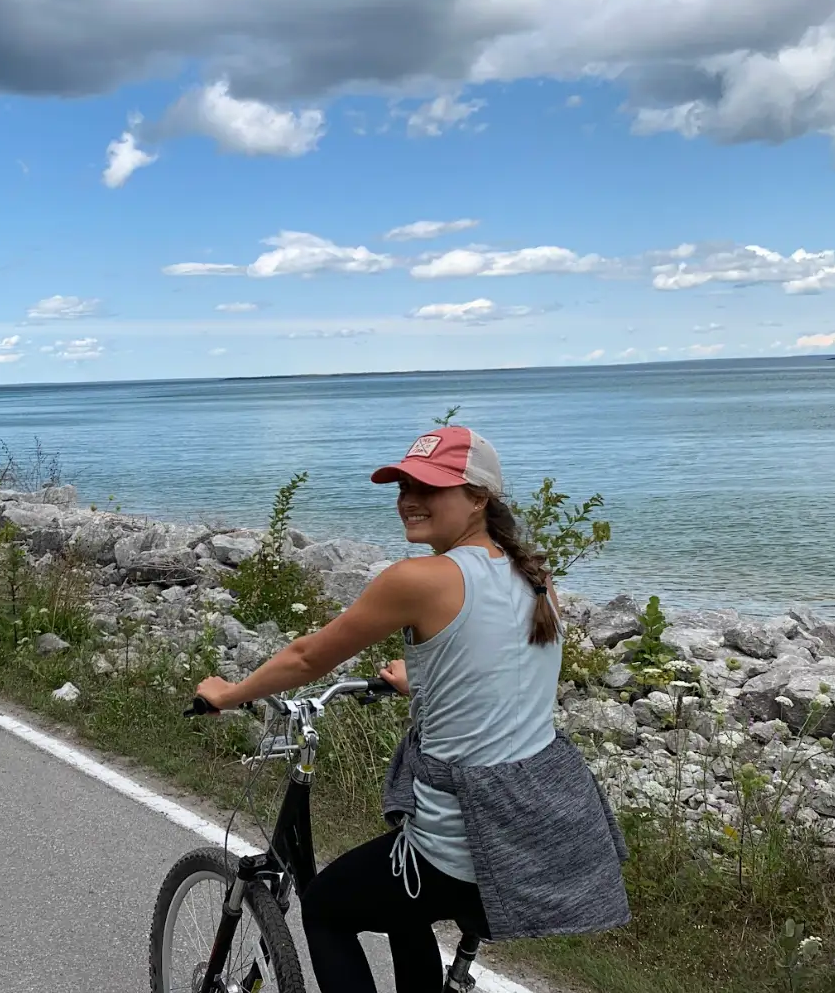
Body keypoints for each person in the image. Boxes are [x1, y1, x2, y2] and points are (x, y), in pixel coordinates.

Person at [193, 425, 628, 993]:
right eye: (403, 485)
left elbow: (305, 658)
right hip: (535, 827)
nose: (409, 499)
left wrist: (226, 693)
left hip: (463, 840)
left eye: (430, 487)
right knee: (401, 911)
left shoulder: (419, 579)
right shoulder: (532, 574)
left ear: (479, 498)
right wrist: (419, 685)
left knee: (325, 907)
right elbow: (502, 677)